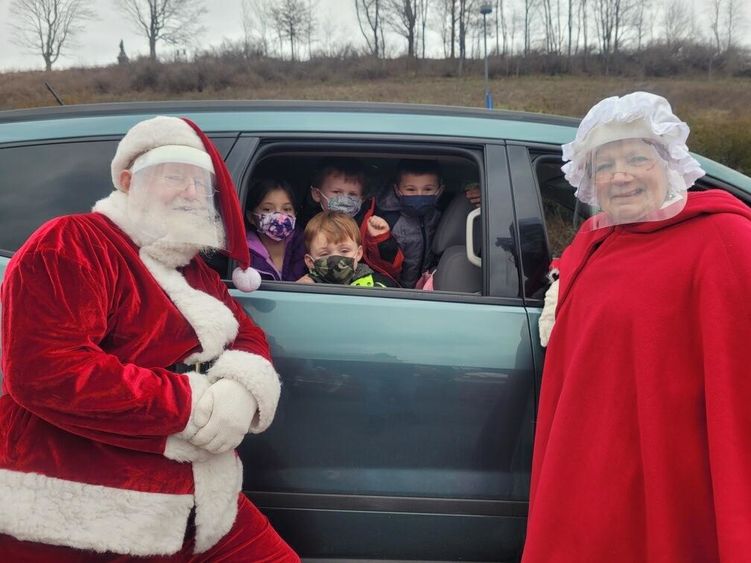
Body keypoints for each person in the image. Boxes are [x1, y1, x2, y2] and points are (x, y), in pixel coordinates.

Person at [0, 116, 299, 561]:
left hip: (205, 503)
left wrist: (242, 389)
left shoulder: (192, 267)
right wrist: (195, 407)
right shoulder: (72, 242)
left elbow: (246, 334)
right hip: (94, 506)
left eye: (200, 182)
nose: (191, 192)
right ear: (127, 181)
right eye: (174, 176)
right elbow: (48, 370)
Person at [523, 92, 751, 563]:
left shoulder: (724, 237)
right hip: (596, 456)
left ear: (670, 163)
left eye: (636, 159)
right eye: (604, 166)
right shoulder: (593, 244)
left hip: (678, 460)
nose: (619, 176)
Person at [302, 157, 404, 283]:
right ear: (317, 194)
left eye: (352, 194)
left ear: (362, 198)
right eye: (336, 192)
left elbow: (391, 270)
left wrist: (381, 240)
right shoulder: (307, 223)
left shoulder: (371, 224)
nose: (345, 199)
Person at [369, 159, 444, 288]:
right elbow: (379, 262)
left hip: (426, 286)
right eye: (411, 190)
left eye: (428, 189)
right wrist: (382, 239)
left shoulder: (439, 214)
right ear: (397, 190)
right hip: (395, 288)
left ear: (440, 190)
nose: (419, 195)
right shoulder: (386, 219)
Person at [298, 211, 396, 288]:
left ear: (358, 254)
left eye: (344, 251)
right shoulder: (304, 288)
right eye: (325, 253)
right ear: (310, 261)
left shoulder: (377, 285)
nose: (336, 258)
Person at [245, 178, 307, 282]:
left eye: (286, 209)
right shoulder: (242, 255)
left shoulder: (307, 245)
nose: (279, 215)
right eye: (267, 209)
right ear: (251, 217)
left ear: (295, 214)